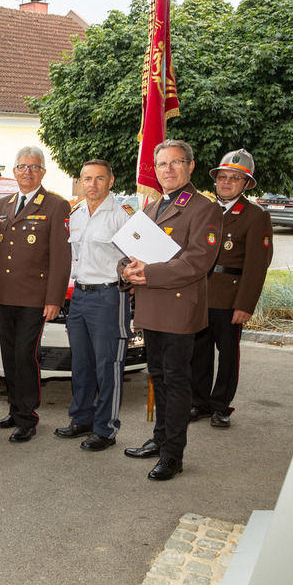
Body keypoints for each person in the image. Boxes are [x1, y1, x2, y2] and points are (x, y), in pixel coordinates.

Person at [121, 139, 221, 480]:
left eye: (176, 163)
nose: (168, 170)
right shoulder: (150, 209)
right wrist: (126, 270)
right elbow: (130, 250)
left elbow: (196, 263)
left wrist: (146, 273)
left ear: (190, 166)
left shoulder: (204, 208)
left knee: (177, 381)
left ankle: (172, 455)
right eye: (162, 164)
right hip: (152, 306)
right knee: (158, 377)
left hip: (179, 309)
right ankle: (160, 439)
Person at [0, 146, 72, 442]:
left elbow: (61, 258)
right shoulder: (4, 204)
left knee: (25, 355)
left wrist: (54, 299)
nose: (28, 171)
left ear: (43, 172)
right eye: (22, 166)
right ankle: (14, 408)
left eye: (34, 167)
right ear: (14, 171)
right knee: (10, 356)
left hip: (35, 298)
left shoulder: (55, 205)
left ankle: (28, 417)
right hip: (5, 295)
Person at [190, 149, 273, 428]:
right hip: (199, 294)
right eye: (222, 177)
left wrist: (245, 304)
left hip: (229, 297)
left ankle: (220, 405)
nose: (226, 182)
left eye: (235, 178)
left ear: (246, 183)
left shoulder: (255, 215)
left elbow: (257, 265)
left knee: (227, 355)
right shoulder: (202, 209)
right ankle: (198, 403)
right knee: (198, 353)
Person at [59, 160, 132, 451]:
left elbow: (135, 257)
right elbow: (75, 257)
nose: (92, 184)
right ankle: (82, 418)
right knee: (81, 363)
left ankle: (105, 429)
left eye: (99, 178)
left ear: (110, 181)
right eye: (87, 179)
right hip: (80, 295)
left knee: (108, 365)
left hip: (108, 296)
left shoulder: (122, 216)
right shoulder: (76, 214)